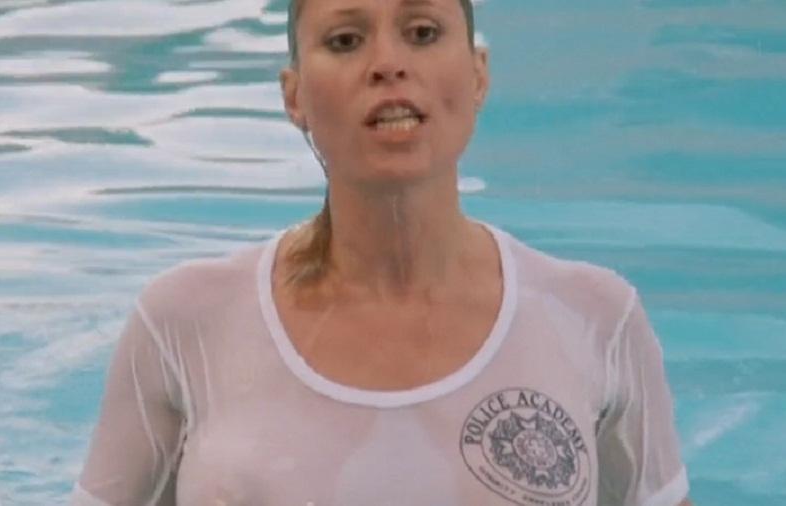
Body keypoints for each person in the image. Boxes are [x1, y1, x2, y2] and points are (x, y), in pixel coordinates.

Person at [71, 0, 694, 504]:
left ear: (478, 74)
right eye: (345, 40)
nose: (388, 64)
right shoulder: (185, 322)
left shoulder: (595, 318)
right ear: (294, 96)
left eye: (422, 32)